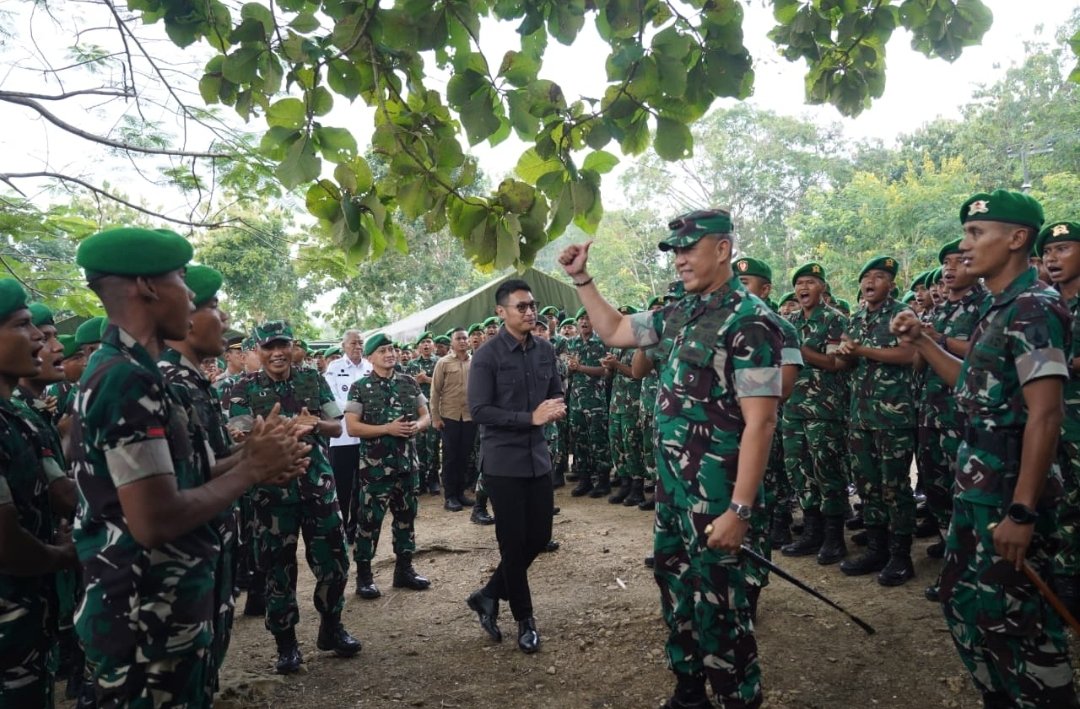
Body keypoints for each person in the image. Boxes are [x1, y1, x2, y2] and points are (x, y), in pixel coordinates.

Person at [69, 227, 310, 704]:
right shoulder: (125, 378)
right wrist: (250, 470)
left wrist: (256, 457)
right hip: (145, 616)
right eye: (182, 280)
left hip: (164, 608)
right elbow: (155, 519)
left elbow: (183, 479)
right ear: (147, 287)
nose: (197, 300)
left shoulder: (133, 371)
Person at [560, 209, 781, 709]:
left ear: (722, 249)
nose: (679, 259)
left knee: (722, 605)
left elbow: (761, 422)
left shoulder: (750, 321)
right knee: (676, 588)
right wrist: (582, 279)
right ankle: (689, 691)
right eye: (675, 251)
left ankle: (737, 697)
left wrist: (740, 509)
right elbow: (616, 330)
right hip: (675, 492)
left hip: (718, 496)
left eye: (689, 248)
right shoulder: (680, 312)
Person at [891, 190, 1078, 708]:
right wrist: (923, 339)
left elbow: (1046, 413)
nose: (965, 246)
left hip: (1010, 493)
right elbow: (970, 382)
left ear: (1017, 239)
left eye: (976, 234)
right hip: (977, 487)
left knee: (1018, 623)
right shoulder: (1000, 307)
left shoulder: (1035, 306)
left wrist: (1022, 510)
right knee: (963, 605)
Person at [226, 319, 361, 674]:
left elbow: (337, 426)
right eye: (268, 347)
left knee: (335, 562)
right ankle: (286, 645)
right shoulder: (242, 389)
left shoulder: (312, 379)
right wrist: (279, 429)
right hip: (270, 494)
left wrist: (315, 423)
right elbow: (238, 437)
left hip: (317, 485)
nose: (277, 353)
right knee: (277, 570)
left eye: (282, 345)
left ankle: (331, 627)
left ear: (292, 346)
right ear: (257, 351)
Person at [465, 279, 565, 654]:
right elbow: (480, 410)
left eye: (532, 305)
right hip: (503, 463)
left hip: (537, 458)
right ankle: (525, 619)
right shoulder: (487, 356)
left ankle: (488, 594)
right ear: (501, 312)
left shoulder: (545, 349)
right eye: (521, 306)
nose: (529, 312)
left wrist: (555, 407)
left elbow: (556, 391)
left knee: (539, 537)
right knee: (512, 544)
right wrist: (530, 417)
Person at [157, 265, 242, 695]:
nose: (224, 318)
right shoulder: (172, 382)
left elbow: (210, 459)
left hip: (211, 541)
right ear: (187, 315)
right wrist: (255, 461)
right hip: (184, 556)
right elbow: (189, 477)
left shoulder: (194, 380)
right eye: (212, 306)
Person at [0, 281, 79, 708]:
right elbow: (6, 542)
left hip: (29, 622)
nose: (40, 339)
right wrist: (62, 555)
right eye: (23, 325)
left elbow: (60, 491)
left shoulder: (18, 418)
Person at [836, 256, 918, 586]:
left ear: (892, 285)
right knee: (867, 485)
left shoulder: (902, 314)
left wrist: (862, 351)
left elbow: (909, 354)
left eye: (879, 276)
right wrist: (844, 355)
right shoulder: (856, 319)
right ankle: (877, 548)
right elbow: (845, 364)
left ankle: (901, 555)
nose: (870, 282)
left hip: (893, 417)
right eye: (866, 277)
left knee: (895, 486)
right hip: (861, 416)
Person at [344, 333, 433, 599]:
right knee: (369, 523)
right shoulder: (359, 387)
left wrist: (417, 426)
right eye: (382, 351)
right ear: (370, 357)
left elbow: (426, 416)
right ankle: (364, 577)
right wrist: (387, 429)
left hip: (407, 466)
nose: (390, 354)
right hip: (375, 469)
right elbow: (352, 427)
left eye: (391, 349)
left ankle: (404, 570)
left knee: (406, 519)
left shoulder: (408, 383)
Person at [780, 263, 851, 565]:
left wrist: (800, 350)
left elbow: (836, 364)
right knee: (798, 468)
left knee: (827, 470)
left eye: (810, 282)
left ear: (822, 287)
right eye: (799, 283)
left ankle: (834, 538)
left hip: (824, 408)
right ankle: (812, 532)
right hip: (792, 408)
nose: (803, 288)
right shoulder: (789, 322)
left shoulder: (835, 320)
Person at [1034, 219, 1080, 616]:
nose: (1052, 258)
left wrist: (1047, 363)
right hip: (1054, 421)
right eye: (1047, 252)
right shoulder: (1046, 305)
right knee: (1060, 501)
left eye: (1062, 249)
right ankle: (1064, 581)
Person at [430, 327, 489, 521]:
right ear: (452, 342)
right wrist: (435, 417)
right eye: (459, 338)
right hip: (450, 417)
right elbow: (435, 391)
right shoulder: (443, 363)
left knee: (465, 456)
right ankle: (450, 497)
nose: (463, 341)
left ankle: (461, 493)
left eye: (465, 338)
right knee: (450, 457)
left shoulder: (475, 362)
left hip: (470, 417)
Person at [324, 329, 373, 544]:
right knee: (342, 487)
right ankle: (341, 530)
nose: (358, 347)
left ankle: (356, 530)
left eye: (361, 343)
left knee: (363, 487)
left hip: (367, 436)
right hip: (342, 437)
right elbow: (331, 398)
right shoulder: (334, 368)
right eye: (353, 343)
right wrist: (358, 410)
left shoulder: (370, 367)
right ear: (344, 346)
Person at [566, 307, 612, 498]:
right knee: (579, 441)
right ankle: (584, 480)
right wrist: (570, 368)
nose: (584, 322)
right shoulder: (572, 343)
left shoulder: (601, 343)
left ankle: (603, 481)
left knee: (598, 441)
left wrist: (580, 367)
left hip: (595, 402)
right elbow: (567, 371)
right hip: (576, 401)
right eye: (581, 319)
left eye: (588, 318)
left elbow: (605, 371)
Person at [404, 331, 442, 495]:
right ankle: (420, 479)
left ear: (433, 345)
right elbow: (405, 386)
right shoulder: (412, 364)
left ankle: (433, 479)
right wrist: (416, 381)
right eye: (422, 343)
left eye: (428, 342)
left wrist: (427, 380)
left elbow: (445, 384)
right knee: (418, 444)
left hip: (434, 409)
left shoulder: (440, 362)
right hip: (417, 410)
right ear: (418, 347)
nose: (426, 345)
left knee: (433, 444)